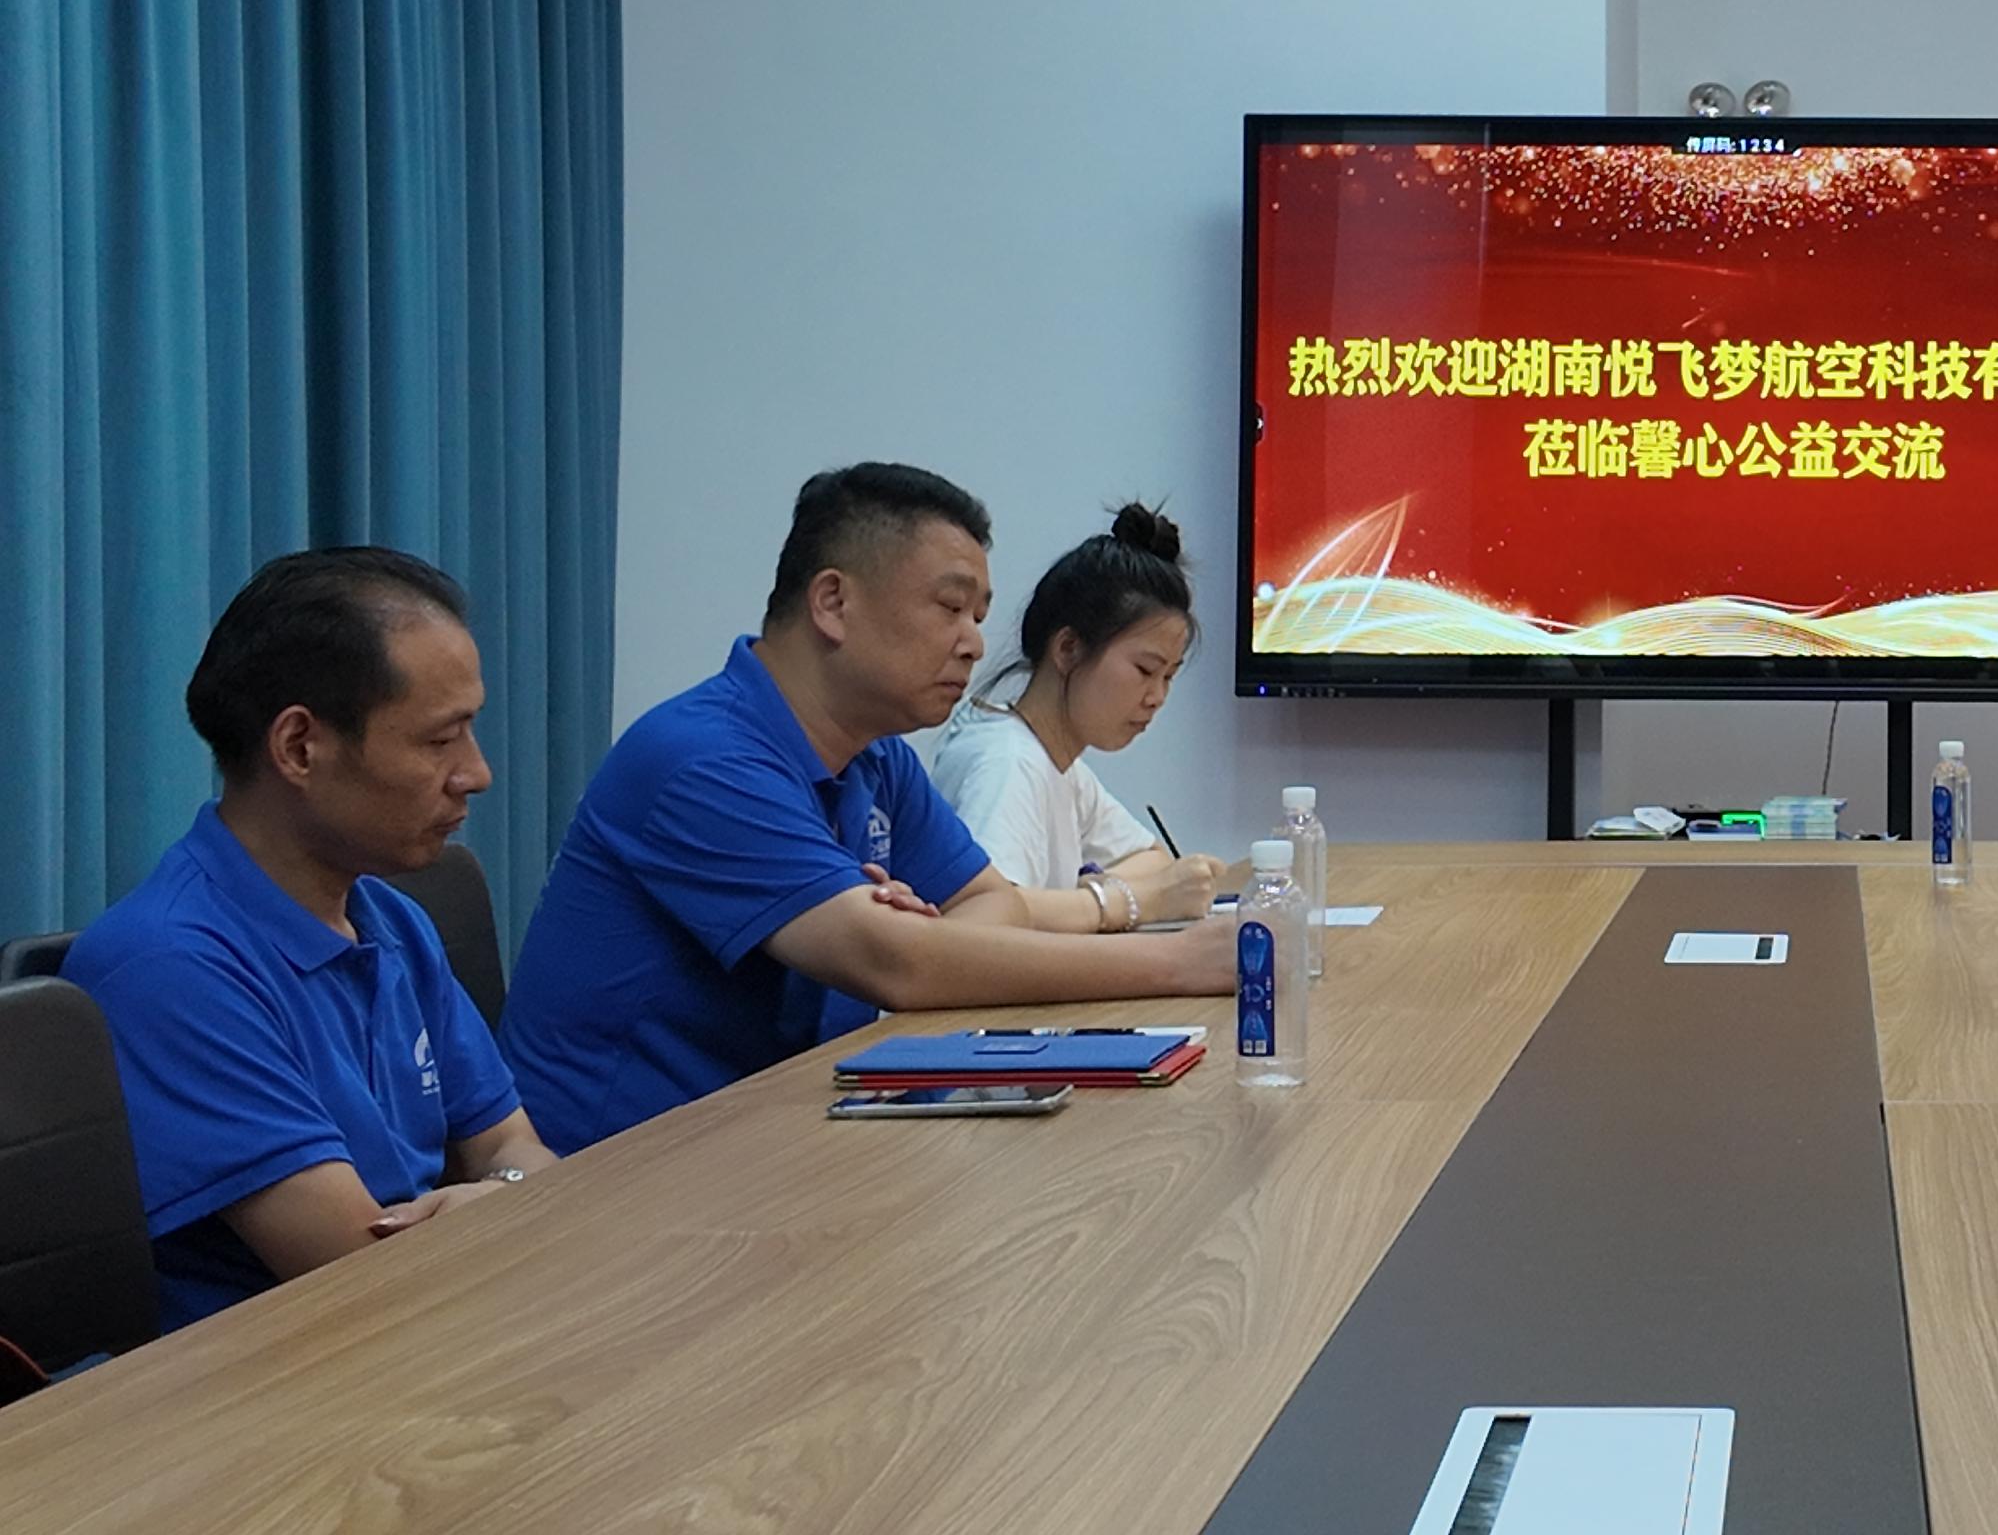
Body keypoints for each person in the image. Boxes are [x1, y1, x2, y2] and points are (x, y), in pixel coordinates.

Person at [506, 464, 1238, 1149]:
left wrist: (924, 941)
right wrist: (1181, 961)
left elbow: (991, 904)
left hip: (783, 1139)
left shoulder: (876, 755)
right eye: (950, 607)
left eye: (979, 615)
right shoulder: (700, 757)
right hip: (617, 1168)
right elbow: (897, 965)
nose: (974, 643)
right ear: (833, 602)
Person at [64, 549, 556, 1328]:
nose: (477, 773)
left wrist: (504, 1193)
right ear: (299, 747)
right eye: (441, 741)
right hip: (286, 1369)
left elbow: (516, 1149)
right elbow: (360, 1274)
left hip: (432, 1319)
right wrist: (507, 1204)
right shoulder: (169, 967)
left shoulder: (391, 918)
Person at [926, 502, 1222, 926]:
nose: (1157, 697)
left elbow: (1154, 860)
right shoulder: (1008, 763)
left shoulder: (1061, 765)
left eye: (1169, 677)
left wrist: (1099, 894)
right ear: (1068, 649)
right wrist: (1126, 901)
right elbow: (983, 920)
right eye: (1145, 670)